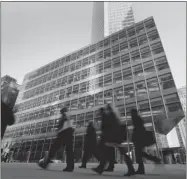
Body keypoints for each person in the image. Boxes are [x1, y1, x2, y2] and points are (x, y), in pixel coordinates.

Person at [92, 105, 135, 176]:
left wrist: (105, 137)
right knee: (111, 152)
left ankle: (101, 168)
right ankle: (102, 167)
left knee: (109, 152)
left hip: (112, 137)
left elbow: (106, 127)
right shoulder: (112, 115)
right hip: (115, 137)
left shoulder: (108, 115)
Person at [38, 107, 74, 172]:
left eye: (61, 112)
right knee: (69, 150)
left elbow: (64, 125)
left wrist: (58, 131)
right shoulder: (67, 116)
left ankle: (45, 164)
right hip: (68, 133)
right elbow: (69, 125)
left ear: (62, 112)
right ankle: (70, 167)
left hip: (64, 133)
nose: (61, 114)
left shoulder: (65, 116)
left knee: (54, 148)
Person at [131, 109, 161, 174]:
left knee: (138, 154)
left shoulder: (136, 119)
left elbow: (138, 130)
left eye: (131, 113)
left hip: (139, 140)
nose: (131, 115)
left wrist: (134, 138)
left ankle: (141, 169)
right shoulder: (137, 119)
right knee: (140, 154)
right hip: (139, 139)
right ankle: (154, 159)